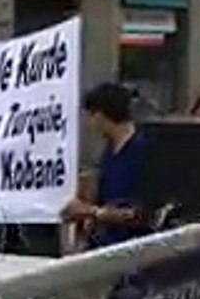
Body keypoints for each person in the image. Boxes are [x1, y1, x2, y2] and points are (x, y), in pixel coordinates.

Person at [62, 83, 153, 248]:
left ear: (101, 115)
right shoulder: (109, 151)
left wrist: (92, 212)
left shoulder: (143, 151)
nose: (90, 124)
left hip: (134, 248)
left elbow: (140, 214)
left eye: (91, 115)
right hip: (106, 245)